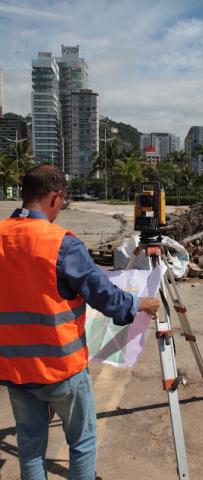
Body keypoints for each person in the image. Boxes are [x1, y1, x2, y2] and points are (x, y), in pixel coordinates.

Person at [0, 165, 160, 480]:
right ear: (56, 198)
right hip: (61, 368)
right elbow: (103, 295)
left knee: (30, 445)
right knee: (82, 442)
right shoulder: (61, 243)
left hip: (15, 368)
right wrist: (138, 303)